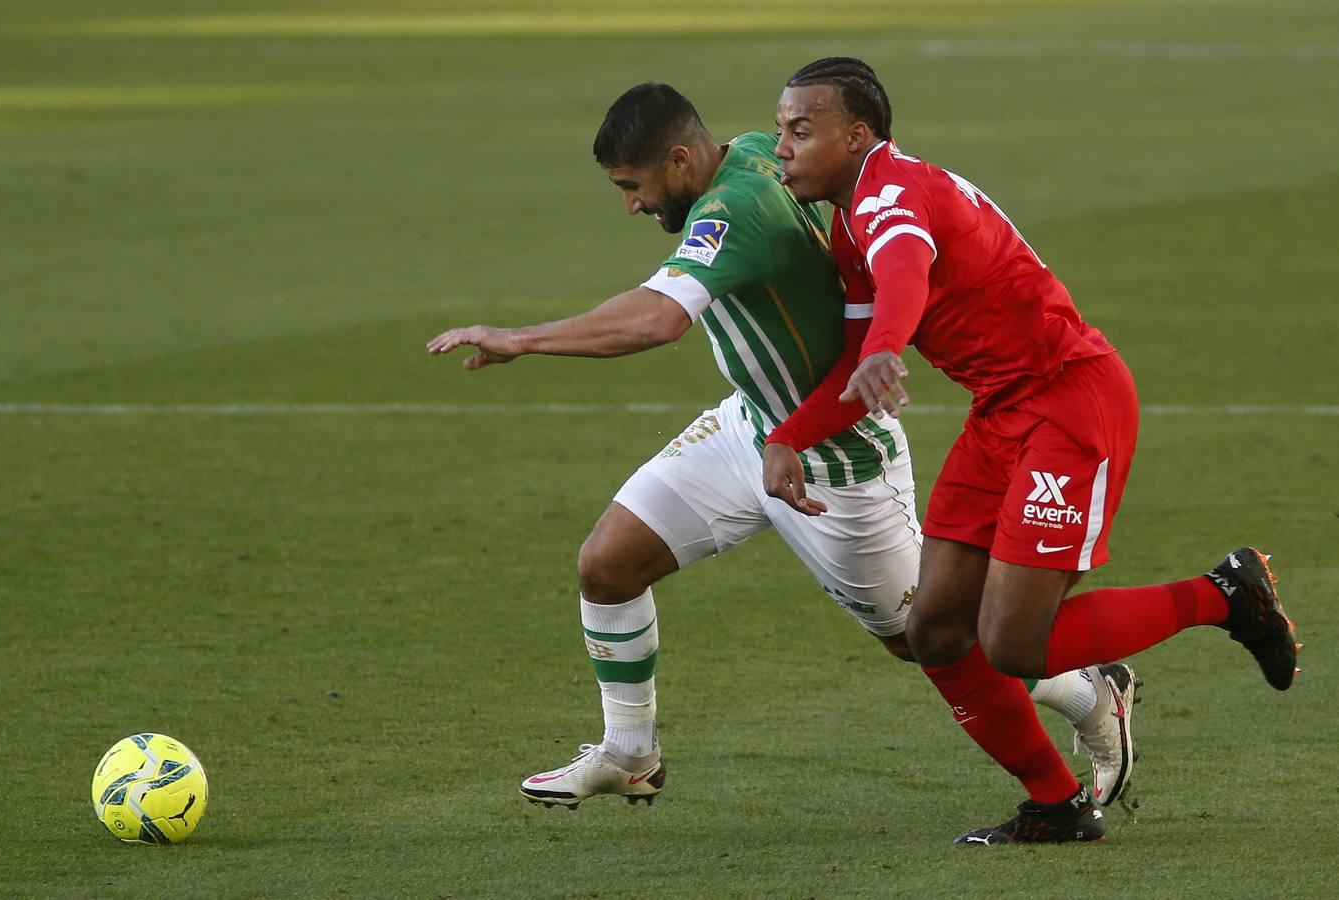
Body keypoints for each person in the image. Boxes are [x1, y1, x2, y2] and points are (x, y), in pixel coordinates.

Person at [428, 82, 1136, 812]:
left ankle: (1089, 690)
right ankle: (629, 752)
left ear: (679, 160)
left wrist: (522, 339)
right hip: (752, 428)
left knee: (927, 637)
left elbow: (656, 322)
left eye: (632, 187)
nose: (631, 206)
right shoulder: (760, 152)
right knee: (606, 566)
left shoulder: (733, 211)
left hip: (836, 458)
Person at [764, 56, 1299, 844]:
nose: (783, 147)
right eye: (779, 130)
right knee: (937, 631)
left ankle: (1225, 595)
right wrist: (788, 439)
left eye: (800, 131)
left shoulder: (892, 194)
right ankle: (1055, 805)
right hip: (1001, 411)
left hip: (1069, 399)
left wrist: (887, 344)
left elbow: (906, 273)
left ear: (857, 135)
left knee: (1014, 644)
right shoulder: (848, 220)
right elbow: (856, 355)